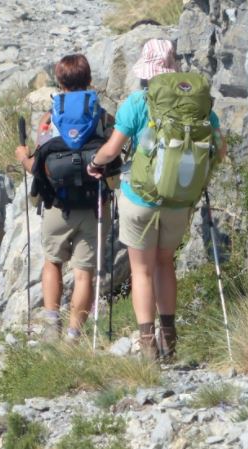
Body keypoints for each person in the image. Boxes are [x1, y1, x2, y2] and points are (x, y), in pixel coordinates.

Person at [87, 39, 227, 360]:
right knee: (166, 263)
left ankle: (148, 344)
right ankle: (170, 338)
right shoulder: (199, 104)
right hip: (179, 198)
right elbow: (220, 149)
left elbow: (111, 150)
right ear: (173, 69)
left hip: (140, 198)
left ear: (146, 72)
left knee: (142, 271)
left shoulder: (136, 103)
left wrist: (95, 164)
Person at [16, 54, 110, 343]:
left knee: (52, 262)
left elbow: (38, 166)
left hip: (57, 204)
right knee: (84, 273)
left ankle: (51, 326)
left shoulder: (49, 119)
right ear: (89, 81)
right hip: (94, 205)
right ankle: (73, 336)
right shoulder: (104, 116)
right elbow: (116, 158)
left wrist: (22, 157)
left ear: (59, 82)